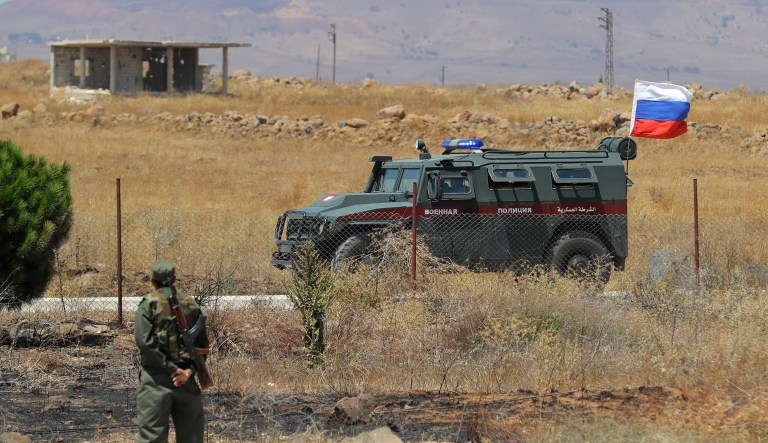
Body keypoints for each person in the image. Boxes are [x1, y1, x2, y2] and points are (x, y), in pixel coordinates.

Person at [135, 259, 209, 443]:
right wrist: (188, 371)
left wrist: (171, 369)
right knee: (192, 438)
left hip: (155, 381)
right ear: (175, 278)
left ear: (152, 280)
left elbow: (144, 342)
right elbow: (203, 345)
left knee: (151, 438)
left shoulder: (148, 304)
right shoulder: (191, 304)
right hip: (187, 381)